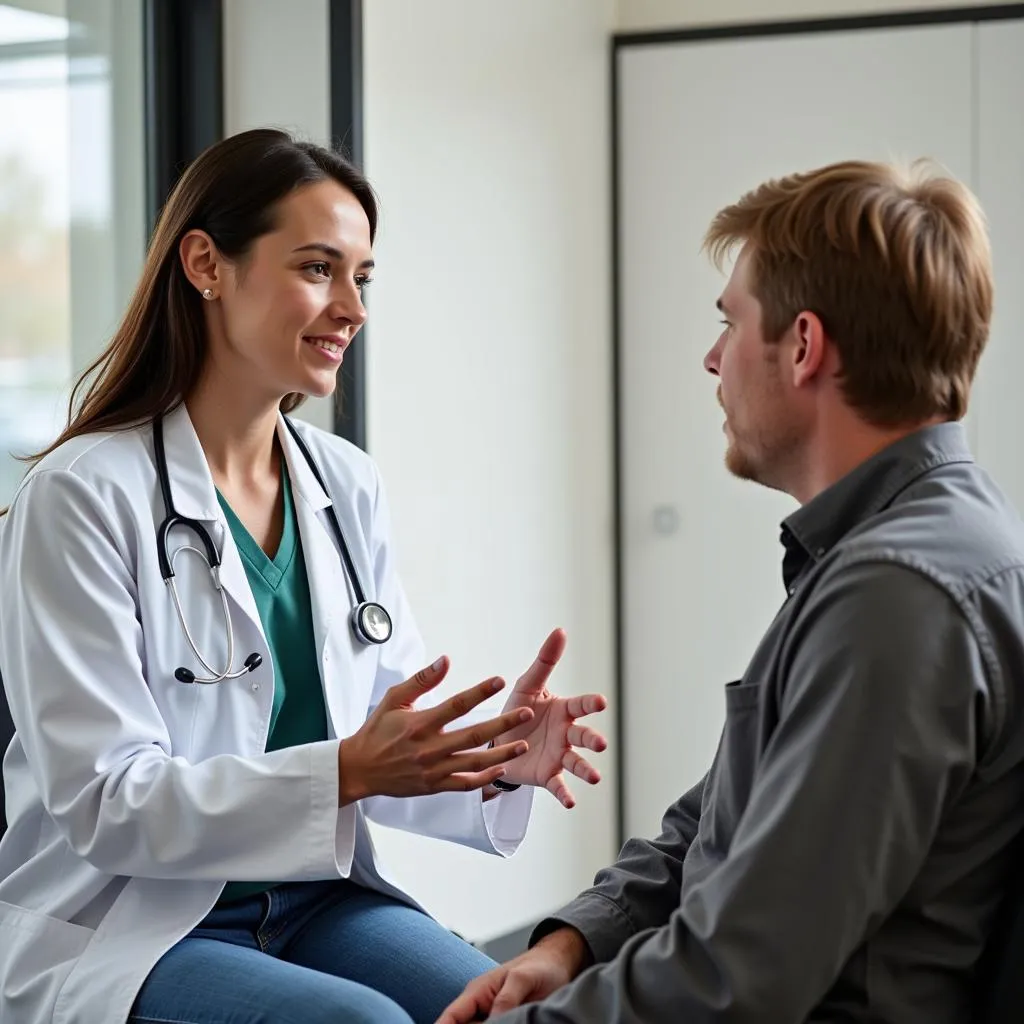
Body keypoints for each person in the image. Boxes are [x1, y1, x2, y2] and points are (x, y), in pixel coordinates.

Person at [0, 128, 609, 1024]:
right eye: (318, 268)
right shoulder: (82, 495)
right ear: (206, 263)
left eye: (363, 276)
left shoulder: (342, 481)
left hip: (314, 895)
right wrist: (345, 773)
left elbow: (381, 726)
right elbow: (106, 802)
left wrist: (494, 758)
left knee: (509, 1007)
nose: (352, 307)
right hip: (134, 920)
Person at [439, 160, 1024, 1023]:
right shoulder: (886, 547)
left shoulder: (899, 599)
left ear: (803, 347)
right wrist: (572, 947)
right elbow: (722, 816)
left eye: (730, 323)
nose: (713, 359)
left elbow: (740, 976)